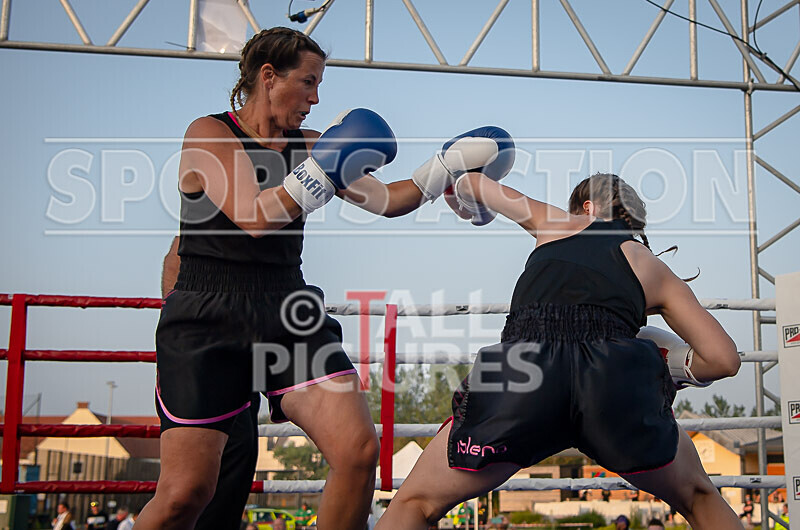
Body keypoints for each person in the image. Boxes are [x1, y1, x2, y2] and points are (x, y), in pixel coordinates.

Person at [141, 26, 514, 530]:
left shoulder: (312, 146)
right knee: (186, 495)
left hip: (285, 308)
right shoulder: (209, 134)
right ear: (269, 77)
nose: (317, 99)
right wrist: (325, 167)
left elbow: (388, 201)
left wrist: (448, 168)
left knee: (359, 450)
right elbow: (253, 217)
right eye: (309, 82)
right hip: (207, 315)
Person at [375, 172, 743, 530]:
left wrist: (466, 205)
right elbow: (723, 360)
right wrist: (666, 367)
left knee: (415, 504)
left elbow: (470, 181)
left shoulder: (553, 222)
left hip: (525, 376)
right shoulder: (653, 269)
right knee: (698, 496)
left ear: (587, 207)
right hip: (613, 383)